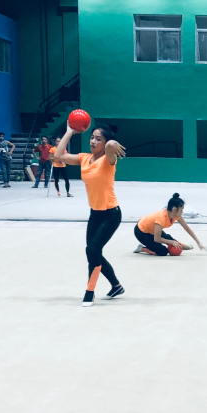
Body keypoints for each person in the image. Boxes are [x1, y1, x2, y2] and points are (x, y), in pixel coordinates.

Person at [52, 121, 127, 307]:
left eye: (98, 139)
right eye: (92, 137)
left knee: (92, 250)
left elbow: (110, 147)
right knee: (93, 252)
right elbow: (59, 156)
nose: (93, 141)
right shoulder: (84, 158)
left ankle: (90, 291)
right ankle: (116, 286)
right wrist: (69, 132)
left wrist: (111, 143)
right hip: (95, 214)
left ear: (105, 142)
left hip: (111, 214)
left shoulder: (108, 160)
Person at [133, 192, 207, 256]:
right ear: (174, 209)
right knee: (162, 251)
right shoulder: (161, 217)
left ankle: (180, 245)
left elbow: (187, 228)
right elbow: (157, 239)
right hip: (141, 231)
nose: (182, 211)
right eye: (181, 209)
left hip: (153, 230)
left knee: (168, 238)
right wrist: (171, 242)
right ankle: (142, 248)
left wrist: (198, 243)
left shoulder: (176, 216)